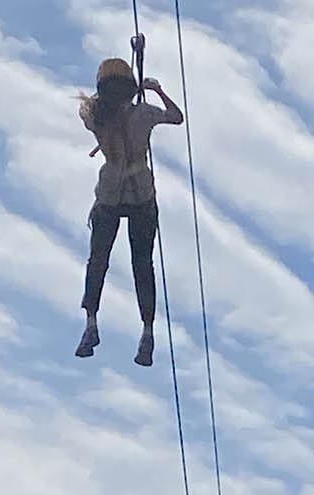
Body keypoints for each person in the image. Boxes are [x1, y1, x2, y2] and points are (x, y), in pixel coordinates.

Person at [75, 57, 184, 368]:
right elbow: (176, 118)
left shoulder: (96, 116)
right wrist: (153, 91)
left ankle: (92, 323)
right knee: (141, 265)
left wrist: (136, 91)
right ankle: (145, 331)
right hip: (138, 195)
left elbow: (90, 106)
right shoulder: (143, 114)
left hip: (112, 193)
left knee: (99, 261)